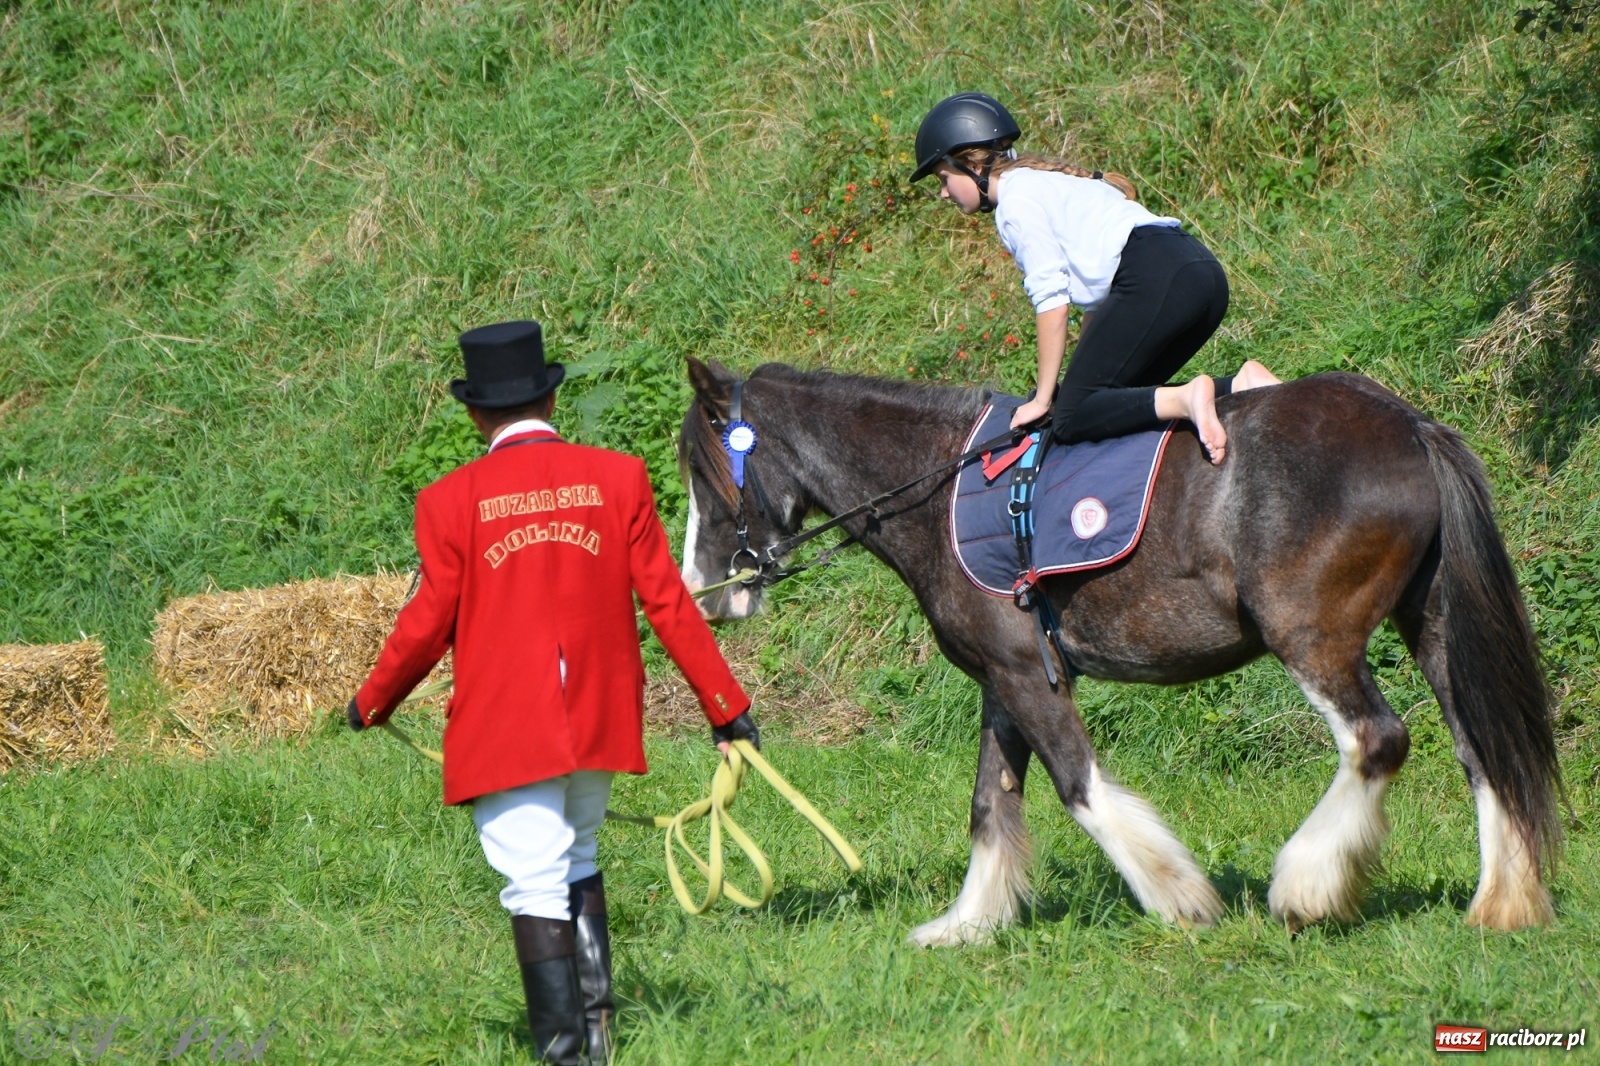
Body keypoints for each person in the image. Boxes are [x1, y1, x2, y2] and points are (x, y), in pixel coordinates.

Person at [347, 320, 759, 1065]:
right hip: (598, 713)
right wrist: (726, 707)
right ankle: (595, 1036)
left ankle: (567, 1055)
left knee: (535, 880)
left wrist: (372, 702)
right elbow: (668, 603)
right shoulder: (618, 476)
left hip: (512, 724)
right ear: (552, 396)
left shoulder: (449, 500)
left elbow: (426, 624)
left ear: (475, 414)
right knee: (576, 856)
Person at [909, 92, 1280, 463]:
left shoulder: (1015, 203)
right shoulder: (1043, 181)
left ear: (972, 163)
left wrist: (1042, 399)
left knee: (1070, 419)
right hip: (1200, 275)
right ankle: (1239, 387)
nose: (943, 193)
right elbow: (1102, 303)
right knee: (1110, 403)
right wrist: (1074, 384)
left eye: (943, 178)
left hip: (1154, 277)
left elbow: (1052, 302)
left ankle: (1188, 396)